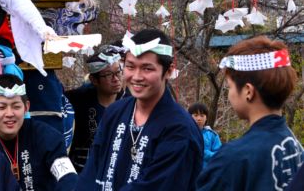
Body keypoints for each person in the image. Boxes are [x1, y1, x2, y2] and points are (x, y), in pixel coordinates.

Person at [78, 29, 203, 190]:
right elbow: (92, 169)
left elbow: (159, 185)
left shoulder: (180, 129)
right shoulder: (115, 112)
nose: (136, 76)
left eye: (147, 68)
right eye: (130, 66)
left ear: (169, 71)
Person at [197, 36, 303, 190]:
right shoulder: (295, 146)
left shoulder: (234, 158)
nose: (229, 94)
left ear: (248, 91)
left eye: (230, 87)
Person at [0, 74, 78, 190]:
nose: (9, 114)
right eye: (1, 108)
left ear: (26, 107)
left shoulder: (46, 136)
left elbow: (67, 176)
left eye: (16, 107)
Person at [65, 45, 126, 172]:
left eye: (118, 72)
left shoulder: (129, 102)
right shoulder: (77, 100)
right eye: (108, 74)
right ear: (94, 80)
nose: (116, 79)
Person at [187, 102, 221, 169]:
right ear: (188, 116)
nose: (199, 119)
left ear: (206, 118)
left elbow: (219, 156)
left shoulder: (212, 135)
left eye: (202, 115)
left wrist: (205, 153)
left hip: (206, 174)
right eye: (195, 115)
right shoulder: (184, 133)